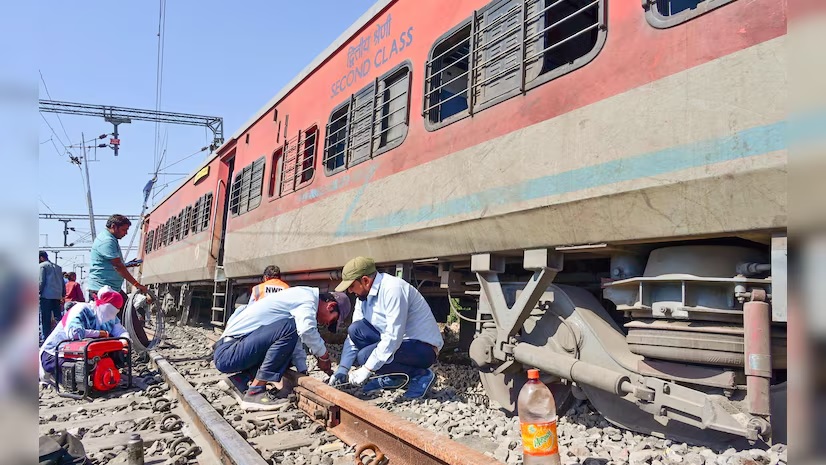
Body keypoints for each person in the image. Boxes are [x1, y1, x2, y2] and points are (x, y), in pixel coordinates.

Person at [328, 257, 443, 399]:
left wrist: (367, 369)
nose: (350, 291)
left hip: (422, 348)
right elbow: (353, 337)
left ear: (365, 281)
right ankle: (395, 377)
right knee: (355, 330)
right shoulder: (362, 298)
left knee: (365, 357)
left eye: (351, 286)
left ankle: (421, 376)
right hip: (400, 345)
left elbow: (393, 336)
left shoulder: (393, 289)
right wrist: (342, 369)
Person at [213, 287, 345, 410]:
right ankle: (254, 393)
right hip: (229, 352)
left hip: (232, 349)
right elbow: (306, 330)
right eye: (332, 321)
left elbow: (294, 341)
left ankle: (238, 381)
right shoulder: (307, 299)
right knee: (289, 328)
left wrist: (302, 370)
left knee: (286, 350)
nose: (327, 324)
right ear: (331, 306)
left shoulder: (299, 298)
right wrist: (324, 356)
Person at [38, 286, 130, 384]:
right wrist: (99, 334)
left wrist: (124, 341)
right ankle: (54, 376)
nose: (111, 315)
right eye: (110, 310)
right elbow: (74, 333)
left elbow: (120, 331)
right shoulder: (81, 309)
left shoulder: (111, 318)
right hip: (55, 353)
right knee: (78, 372)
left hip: (84, 354)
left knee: (116, 357)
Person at [88, 214, 150, 345]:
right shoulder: (107, 241)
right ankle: (140, 348)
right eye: (124, 230)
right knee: (113, 321)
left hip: (111, 289)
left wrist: (127, 264)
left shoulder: (110, 239)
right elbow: (117, 266)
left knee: (129, 316)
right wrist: (136, 284)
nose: (126, 233)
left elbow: (112, 264)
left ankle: (143, 347)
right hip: (103, 290)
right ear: (113, 227)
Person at [39, 251, 65, 342]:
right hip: (57, 296)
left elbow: (41, 281)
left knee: (45, 318)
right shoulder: (58, 267)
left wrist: (38, 292)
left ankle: (45, 339)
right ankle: (62, 336)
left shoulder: (42, 266)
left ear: (41, 258)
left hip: (46, 296)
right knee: (58, 318)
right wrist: (63, 294)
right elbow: (62, 282)